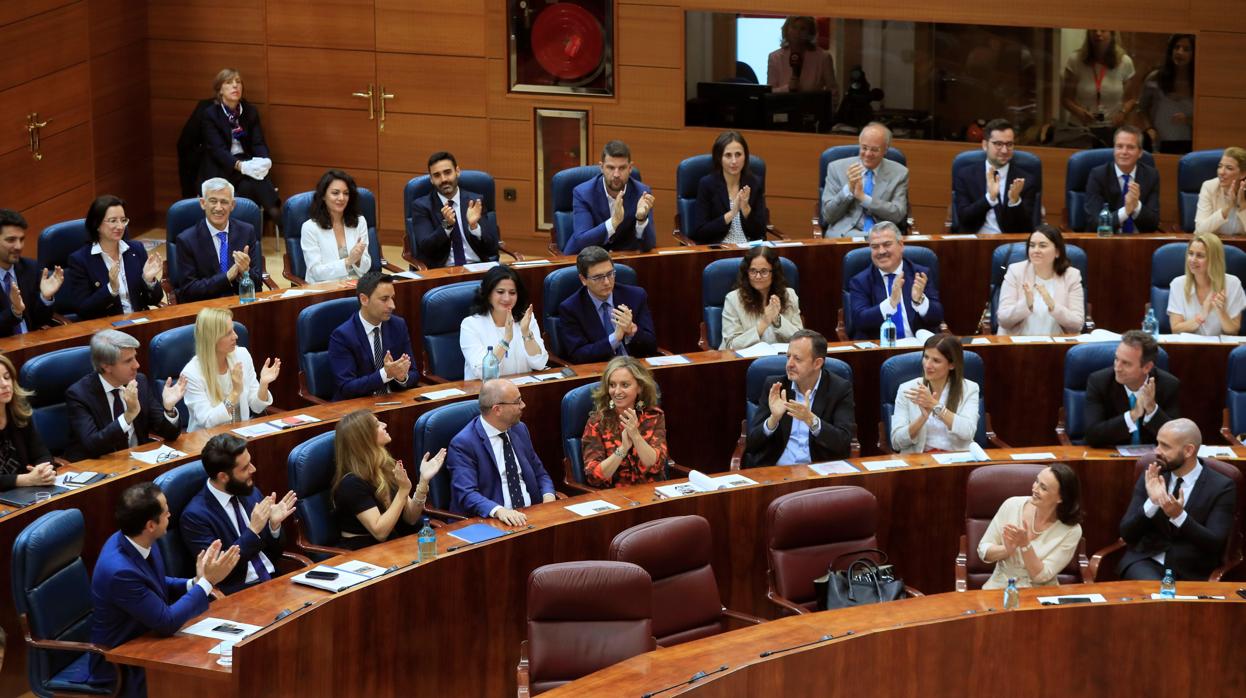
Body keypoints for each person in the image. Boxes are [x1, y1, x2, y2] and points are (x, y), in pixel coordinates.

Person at [87, 482, 240, 697]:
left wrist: (194, 583)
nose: (170, 514)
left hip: (149, 638)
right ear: (150, 525)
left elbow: (155, 581)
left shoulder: (137, 539)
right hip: (122, 661)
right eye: (166, 511)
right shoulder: (119, 572)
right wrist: (207, 582)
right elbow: (166, 622)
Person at [1118, 418, 1236, 581]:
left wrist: (1180, 517)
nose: (1157, 451)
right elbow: (1126, 533)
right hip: (1146, 562)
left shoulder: (1221, 486)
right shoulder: (1153, 474)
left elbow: (1215, 544)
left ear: (1188, 451)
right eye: (1158, 443)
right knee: (1155, 596)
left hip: (1190, 571)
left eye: (1165, 446)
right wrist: (1152, 503)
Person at [180, 434, 297, 594]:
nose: (253, 469)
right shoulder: (195, 516)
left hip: (274, 580)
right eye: (245, 467)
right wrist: (253, 531)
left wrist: (273, 526)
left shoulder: (250, 493)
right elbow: (217, 574)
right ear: (223, 476)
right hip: (238, 594)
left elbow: (275, 554)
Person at [331, 409, 445, 550]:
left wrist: (423, 481)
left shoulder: (386, 466)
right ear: (364, 438)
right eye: (377, 425)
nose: (384, 424)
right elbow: (380, 532)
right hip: (363, 552)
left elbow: (411, 518)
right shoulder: (351, 484)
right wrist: (403, 491)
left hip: (391, 544)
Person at [447, 378, 556, 525]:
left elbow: (540, 473)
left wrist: (548, 496)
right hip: (493, 521)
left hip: (533, 515)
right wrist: (499, 510)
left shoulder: (519, 429)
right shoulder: (464, 443)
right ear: (497, 409)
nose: (523, 405)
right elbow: (466, 493)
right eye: (517, 402)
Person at [65, 330, 185, 462]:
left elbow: (170, 435)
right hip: (100, 467)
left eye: (135, 357)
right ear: (106, 366)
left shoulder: (140, 382)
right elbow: (93, 446)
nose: (137, 365)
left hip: (138, 462)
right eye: (128, 361)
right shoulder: (79, 394)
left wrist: (169, 409)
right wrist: (128, 416)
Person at [743, 329, 854, 468]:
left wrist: (812, 420)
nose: (789, 364)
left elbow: (843, 443)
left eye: (797, 359)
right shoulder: (776, 387)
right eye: (788, 356)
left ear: (817, 363)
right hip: (778, 471)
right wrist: (773, 420)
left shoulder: (839, 389)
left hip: (817, 472)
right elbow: (751, 445)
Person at [978, 464, 1084, 589]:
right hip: (999, 587)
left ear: (1061, 498)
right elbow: (983, 550)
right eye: (1036, 481)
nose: (1035, 488)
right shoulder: (1011, 505)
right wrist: (1006, 550)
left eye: (1043, 488)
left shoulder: (1072, 530)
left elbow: (1041, 576)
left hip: (1040, 593)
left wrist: (1025, 545)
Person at [197, 68, 280, 227]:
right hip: (222, 166)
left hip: (246, 163)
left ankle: (248, 231)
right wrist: (240, 166)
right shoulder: (210, 114)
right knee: (254, 183)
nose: (235, 86)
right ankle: (276, 213)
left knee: (249, 186)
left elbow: (258, 142)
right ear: (220, 90)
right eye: (229, 83)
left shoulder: (249, 111)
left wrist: (265, 160)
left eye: (238, 82)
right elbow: (217, 150)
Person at [62, 196, 163, 319]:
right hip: (107, 329)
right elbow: (83, 310)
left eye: (123, 220)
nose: (120, 226)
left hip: (139, 322)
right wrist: (111, 289)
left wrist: (149, 280)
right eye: (113, 220)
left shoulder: (136, 249)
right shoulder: (80, 260)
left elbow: (154, 300)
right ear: (97, 224)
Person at [181, 308, 280, 431]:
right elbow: (208, 421)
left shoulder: (242, 355)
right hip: (208, 442)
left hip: (241, 436)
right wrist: (234, 393)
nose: (236, 336)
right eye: (228, 333)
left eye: (233, 330)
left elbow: (257, 407)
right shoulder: (191, 373)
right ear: (212, 339)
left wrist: (263, 384)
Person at [556, 246, 657, 363]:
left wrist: (632, 330)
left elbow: (651, 346)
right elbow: (579, 355)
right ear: (583, 279)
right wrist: (615, 338)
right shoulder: (571, 308)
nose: (607, 282)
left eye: (610, 274)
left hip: (636, 368)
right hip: (600, 372)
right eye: (598, 277)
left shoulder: (635, 296)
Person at [328, 271, 419, 399]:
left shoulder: (398, 325)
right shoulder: (342, 336)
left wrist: (402, 377)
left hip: (393, 402)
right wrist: (385, 374)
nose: (392, 305)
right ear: (364, 299)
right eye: (384, 299)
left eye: (392, 298)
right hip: (359, 410)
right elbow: (346, 387)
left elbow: (414, 373)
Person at [846, 222, 944, 340]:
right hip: (881, 349)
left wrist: (920, 301)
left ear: (901, 245)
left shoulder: (920, 274)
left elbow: (937, 318)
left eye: (887, 244)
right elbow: (859, 321)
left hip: (918, 349)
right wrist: (890, 304)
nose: (881, 251)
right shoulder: (860, 281)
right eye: (875, 247)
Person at [1083, 330, 1180, 448]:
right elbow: (1092, 436)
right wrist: (1133, 414)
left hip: (1154, 460)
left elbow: (1176, 439)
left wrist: (1152, 409)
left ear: (1147, 367)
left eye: (1126, 363)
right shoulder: (1100, 382)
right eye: (1116, 359)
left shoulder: (1168, 385)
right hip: (1110, 458)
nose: (1117, 368)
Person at [581, 357, 668, 487]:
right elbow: (594, 476)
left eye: (625, 385)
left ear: (639, 387)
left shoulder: (653, 416)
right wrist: (622, 449)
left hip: (650, 494)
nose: (617, 392)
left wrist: (636, 436)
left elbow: (656, 465)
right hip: (615, 499)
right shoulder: (597, 422)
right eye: (612, 385)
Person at [174, 178, 264, 302]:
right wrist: (226, 277)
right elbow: (188, 290)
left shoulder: (247, 231)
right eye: (213, 201)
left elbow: (258, 284)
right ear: (203, 203)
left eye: (224, 202)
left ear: (232, 205)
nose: (218, 207)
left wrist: (245, 272)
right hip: (206, 309)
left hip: (241, 304)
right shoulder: (186, 240)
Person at [890, 333, 980, 453]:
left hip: (955, 461)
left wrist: (935, 406)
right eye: (926, 357)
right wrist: (922, 418)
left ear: (952, 365)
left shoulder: (969, 388)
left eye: (936, 361)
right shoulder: (907, 389)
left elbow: (968, 432)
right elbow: (896, 442)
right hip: (919, 462)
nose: (927, 365)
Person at [564, 140, 657, 255]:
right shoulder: (583, 193)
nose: (616, 174)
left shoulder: (642, 193)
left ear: (630, 168)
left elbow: (649, 245)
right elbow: (582, 241)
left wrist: (641, 219)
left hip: (623, 260)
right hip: (585, 260)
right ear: (601, 167)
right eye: (611, 168)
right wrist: (614, 222)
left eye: (622, 168)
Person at [411, 151, 501, 268]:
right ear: (431, 179)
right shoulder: (422, 206)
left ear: (457, 171)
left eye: (447, 172)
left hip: (477, 268)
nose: (443, 179)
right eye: (437, 175)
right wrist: (446, 225)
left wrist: (474, 227)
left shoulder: (475, 201)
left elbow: (492, 247)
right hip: (443, 271)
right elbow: (426, 248)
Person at [820, 122, 909, 237]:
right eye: (864, 148)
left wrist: (864, 198)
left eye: (874, 150)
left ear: (885, 150)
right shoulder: (836, 168)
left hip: (883, 235)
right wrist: (848, 189)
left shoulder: (899, 173)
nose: (867, 154)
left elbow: (897, 215)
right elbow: (828, 216)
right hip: (845, 234)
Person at [952, 118, 1039, 233]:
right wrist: (989, 198)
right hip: (976, 241)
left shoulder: (1026, 180)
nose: (1004, 150)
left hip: (1009, 244)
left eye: (1009, 144)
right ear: (984, 145)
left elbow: (1026, 228)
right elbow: (964, 219)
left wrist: (1015, 201)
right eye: (998, 144)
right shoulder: (965, 175)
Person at [460, 265, 547, 380]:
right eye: (500, 292)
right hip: (488, 394)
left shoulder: (525, 319)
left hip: (523, 391)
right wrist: (506, 340)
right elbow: (483, 372)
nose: (507, 298)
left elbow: (540, 364)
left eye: (512, 293)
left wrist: (526, 333)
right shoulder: (471, 325)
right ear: (488, 293)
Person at [996, 225, 1085, 335]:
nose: (1035, 250)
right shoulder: (1015, 271)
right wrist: (1026, 304)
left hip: (1057, 345)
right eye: (1032, 246)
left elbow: (1077, 325)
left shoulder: (1072, 276)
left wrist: (1053, 306)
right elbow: (1003, 321)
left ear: (1057, 252)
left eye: (1042, 246)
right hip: (1018, 346)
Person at [689, 130, 769, 244]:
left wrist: (746, 209)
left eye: (738, 154)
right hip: (720, 250)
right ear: (719, 158)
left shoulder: (754, 183)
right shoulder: (707, 184)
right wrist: (732, 213)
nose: (734, 161)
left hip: (749, 251)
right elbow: (701, 232)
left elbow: (760, 232)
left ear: (745, 156)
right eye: (728, 155)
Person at [1061, 30, 1137, 145]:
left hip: (1111, 130)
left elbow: (1131, 99)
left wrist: (1122, 113)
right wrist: (1080, 112)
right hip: (1081, 129)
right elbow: (1066, 98)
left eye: (1103, 30)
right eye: (1094, 30)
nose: (1098, 33)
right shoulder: (1075, 60)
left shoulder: (1124, 62)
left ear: (1112, 33)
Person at [720, 246, 803, 351]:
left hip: (782, 361)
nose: (758, 276)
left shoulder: (789, 295)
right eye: (753, 271)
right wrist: (764, 323)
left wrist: (777, 320)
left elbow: (800, 340)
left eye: (764, 271)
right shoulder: (733, 299)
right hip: (743, 362)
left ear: (774, 273)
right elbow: (730, 346)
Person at [1083, 126, 1160, 233]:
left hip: (1139, 241)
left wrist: (1136, 205)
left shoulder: (1151, 175)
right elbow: (1094, 223)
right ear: (1114, 150)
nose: (1124, 152)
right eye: (1119, 146)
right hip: (1106, 240)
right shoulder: (1098, 175)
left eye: (1130, 147)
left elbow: (1153, 223)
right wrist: (1126, 211)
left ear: (1140, 153)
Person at [299, 169, 372, 283]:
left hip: (357, 286)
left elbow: (366, 267)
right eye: (335, 193)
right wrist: (348, 261)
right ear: (323, 195)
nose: (342, 198)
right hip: (327, 288)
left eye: (346, 193)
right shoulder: (310, 228)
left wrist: (358, 260)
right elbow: (316, 272)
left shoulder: (359, 221)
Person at [1167, 232, 1245, 336]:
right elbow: (1175, 329)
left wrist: (1221, 312)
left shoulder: (1233, 284)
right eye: (1190, 253)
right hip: (1187, 347)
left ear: (1214, 259)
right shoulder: (1178, 284)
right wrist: (1202, 315)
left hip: (1222, 348)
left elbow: (1234, 331)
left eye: (1200, 255)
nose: (1193, 260)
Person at [0, 209, 61, 336]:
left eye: (21, 239)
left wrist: (45, 298)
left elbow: (39, 321)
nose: (19, 246)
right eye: (11, 240)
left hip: (31, 345)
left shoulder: (30, 268)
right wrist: (14, 312)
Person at [0, 353, 56, 491]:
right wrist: (25, 480)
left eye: (7, 377)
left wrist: (44, 471)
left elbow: (42, 454)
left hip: (23, 493)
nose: (5, 384)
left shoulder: (19, 413)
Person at [1140, 34, 1194, 154]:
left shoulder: (1198, 81)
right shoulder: (1155, 77)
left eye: (1186, 49)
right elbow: (1142, 108)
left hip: (1189, 143)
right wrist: (1149, 128)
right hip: (1159, 143)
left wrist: (1188, 120)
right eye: (1176, 47)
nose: (1179, 52)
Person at [766, 16, 838, 100]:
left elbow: (833, 91)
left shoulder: (823, 57)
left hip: (812, 110)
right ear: (786, 30)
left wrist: (828, 111)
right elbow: (769, 92)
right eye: (794, 27)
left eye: (803, 29)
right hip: (783, 109)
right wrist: (788, 88)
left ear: (810, 33)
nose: (797, 32)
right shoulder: (775, 57)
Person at [1194, 146, 1246, 236]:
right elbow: (1199, 231)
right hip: (1214, 246)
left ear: (1242, 174)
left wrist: (1242, 208)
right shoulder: (1209, 187)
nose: (1221, 172)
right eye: (1220, 166)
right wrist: (1226, 208)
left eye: (1229, 168)